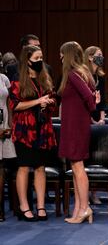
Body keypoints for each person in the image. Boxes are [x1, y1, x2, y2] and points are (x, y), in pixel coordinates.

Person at [9, 45, 57, 222]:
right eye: (36, 59)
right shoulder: (18, 79)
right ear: (27, 60)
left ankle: (41, 206)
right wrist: (38, 101)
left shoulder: (45, 77)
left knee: (40, 167)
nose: (40, 61)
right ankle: (24, 206)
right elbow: (16, 105)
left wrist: (47, 103)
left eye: (41, 58)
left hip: (42, 128)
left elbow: (53, 100)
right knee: (24, 166)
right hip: (24, 130)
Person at [58, 41, 96, 224]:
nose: (60, 57)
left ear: (68, 55)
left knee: (78, 167)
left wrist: (90, 110)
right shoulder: (82, 73)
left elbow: (90, 97)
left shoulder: (74, 74)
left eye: (62, 54)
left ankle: (85, 208)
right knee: (75, 167)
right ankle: (78, 208)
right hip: (75, 125)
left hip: (76, 127)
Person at [84, 46, 107, 205]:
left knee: (97, 157)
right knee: (87, 158)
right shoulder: (84, 75)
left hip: (98, 118)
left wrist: (102, 119)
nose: (101, 58)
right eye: (99, 55)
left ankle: (94, 192)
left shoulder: (101, 77)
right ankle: (85, 193)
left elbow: (103, 101)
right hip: (86, 118)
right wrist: (92, 120)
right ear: (90, 57)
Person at [0, 69, 16, 222]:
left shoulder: (4, 78)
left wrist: (10, 124)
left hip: (3, 126)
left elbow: (9, 103)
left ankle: (1, 210)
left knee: (2, 166)